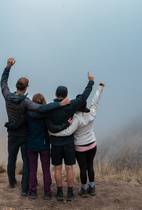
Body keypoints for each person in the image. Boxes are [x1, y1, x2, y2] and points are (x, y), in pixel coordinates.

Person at [0, 58, 70, 196]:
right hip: (24, 135)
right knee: (27, 163)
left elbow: (3, 82)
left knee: (11, 158)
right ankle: (25, 189)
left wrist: (8, 67)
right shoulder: (26, 103)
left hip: (12, 134)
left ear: (16, 86)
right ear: (26, 88)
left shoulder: (7, 96)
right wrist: (59, 104)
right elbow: (42, 108)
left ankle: (12, 182)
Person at [44, 72, 95, 201]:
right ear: (66, 95)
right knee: (69, 167)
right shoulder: (71, 106)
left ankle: (60, 193)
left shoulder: (50, 108)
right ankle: (70, 193)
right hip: (68, 143)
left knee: (57, 168)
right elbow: (84, 97)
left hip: (55, 143)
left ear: (56, 94)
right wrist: (90, 82)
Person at [52, 82, 105, 197]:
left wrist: (54, 133)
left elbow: (68, 132)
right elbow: (95, 102)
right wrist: (100, 88)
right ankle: (92, 187)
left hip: (80, 147)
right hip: (92, 144)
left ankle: (84, 189)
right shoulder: (91, 113)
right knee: (90, 166)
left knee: (83, 168)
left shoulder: (76, 118)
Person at [25, 93, 69, 200]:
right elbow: (51, 129)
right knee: (46, 170)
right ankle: (47, 193)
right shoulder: (46, 115)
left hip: (31, 145)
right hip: (44, 145)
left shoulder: (27, 114)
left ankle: (32, 192)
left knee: (32, 170)